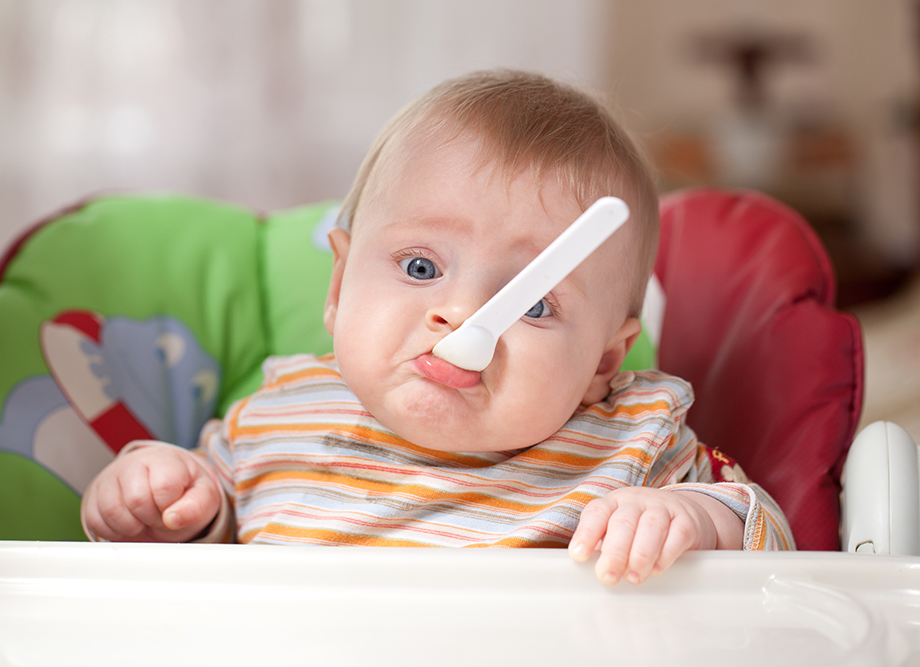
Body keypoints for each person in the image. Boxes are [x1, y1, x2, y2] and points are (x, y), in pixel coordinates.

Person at [81, 69, 794, 585]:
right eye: (421, 267)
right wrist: (166, 502)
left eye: (534, 302)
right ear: (337, 286)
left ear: (603, 362)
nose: (461, 312)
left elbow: (773, 543)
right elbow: (192, 559)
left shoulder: (629, 442)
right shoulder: (277, 417)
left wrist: (696, 521)